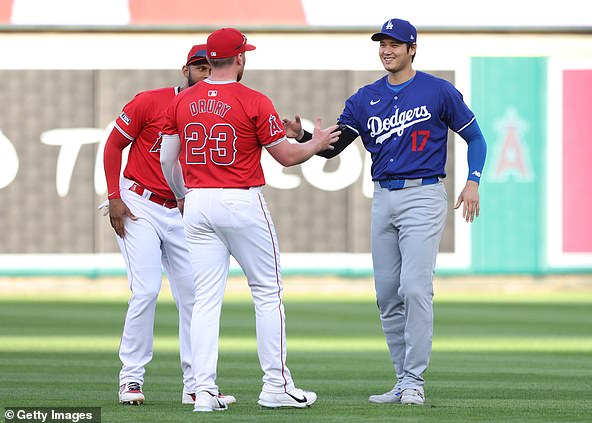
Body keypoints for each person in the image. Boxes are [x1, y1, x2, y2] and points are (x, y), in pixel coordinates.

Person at [286, 18, 487, 406]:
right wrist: (303, 137)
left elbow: (475, 137)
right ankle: (401, 380)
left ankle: (415, 380)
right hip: (384, 198)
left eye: (396, 44)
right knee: (386, 295)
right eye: (382, 43)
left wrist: (473, 180)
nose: (387, 49)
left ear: (413, 49)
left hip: (424, 193)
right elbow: (333, 148)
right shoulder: (365, 98)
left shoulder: (437, 90)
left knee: (414, 287)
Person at [159, 28, 340, 412]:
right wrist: (317, 143)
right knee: (267, 291)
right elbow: (287, 157)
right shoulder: (253, 100)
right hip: (240, 199)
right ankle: (275, 384)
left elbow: (165, 160)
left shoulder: (183, 100)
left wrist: (181, 196)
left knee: (205, 300)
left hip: (197, 201)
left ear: (209, 61)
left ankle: (203, 391)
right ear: (239, 58)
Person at [103, 44, 235, 406]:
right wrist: (114, 196)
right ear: (185, 70)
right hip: (139, 203)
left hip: (182, 210)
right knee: (145, 290)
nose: (205, 73)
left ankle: (195, 384)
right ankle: (131, 379)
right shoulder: (151, 101)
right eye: (199, 67)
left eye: (212, 67)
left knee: (194, 298)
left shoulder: (217, 113)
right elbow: (114, 146)